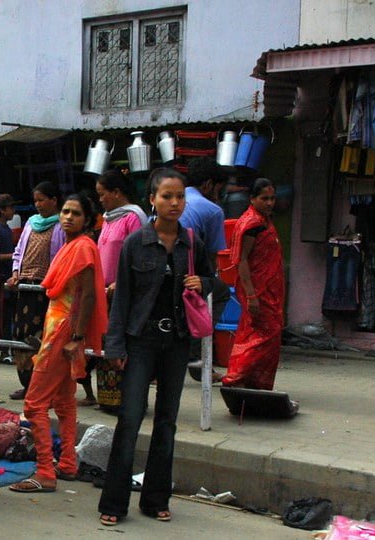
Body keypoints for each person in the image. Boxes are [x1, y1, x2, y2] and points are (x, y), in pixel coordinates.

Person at [98, 169, 215, 525]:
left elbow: (218, 283)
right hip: (141, 340)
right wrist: (115, 348)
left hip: (176, 342)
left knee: (167, 422)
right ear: (152, 199)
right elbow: (122, 301)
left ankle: (155, 499)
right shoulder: (136, 242)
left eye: (179, 196)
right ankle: (113, 504)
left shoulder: (192, 242)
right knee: (130, 418)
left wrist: (204, 282)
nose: (174, 203)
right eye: (167, 196)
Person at [9, 193, 108, 495]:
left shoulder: (82, 247)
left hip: (63, 330)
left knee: (34, 403)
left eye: (76, 213)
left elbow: (88, 295)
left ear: (88, 220)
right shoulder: (73, 245)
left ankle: (45, 472)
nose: (67, 217)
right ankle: (67, 464)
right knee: (64, 402)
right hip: (61, 326)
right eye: (65, 211)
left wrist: (76, 337)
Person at [220, 179, 286, 391]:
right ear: (252, 199)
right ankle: (235, 378)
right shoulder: (252, 224)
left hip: (271, 289)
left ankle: (255, 383)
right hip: (257, 291)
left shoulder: (264, 220)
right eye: (264, 198)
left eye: (272, 198)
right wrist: (251, 295)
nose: (269, 203)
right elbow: (242, 260)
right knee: (260, 337)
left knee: (265, 335)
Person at [93, 170, 148, 406]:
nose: (100, 199)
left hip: (124, 293)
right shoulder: (108, 219)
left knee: (125, 347)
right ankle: (108, 399)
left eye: (103, 194)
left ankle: (130, 401)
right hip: (105, 294)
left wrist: (120, 283)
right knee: (107, 346)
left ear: (117, 193)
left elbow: (140, 256)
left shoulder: (133, 218)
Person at [7, 182, 65, 400]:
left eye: (42, 200)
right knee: (21, 336)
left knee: (42, 338)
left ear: (54, 200)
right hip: (25, 288)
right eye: (36, 200)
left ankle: (43, 387)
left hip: (46, 291)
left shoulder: (61, 225)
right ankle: (27, 384)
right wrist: (15, 272)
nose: (38, 204)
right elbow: (19, 251)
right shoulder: (31, 222)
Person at [182, 157, 232, 380]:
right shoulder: (212, 210)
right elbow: (211, 259)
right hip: (187, 273)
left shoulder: (173, 196)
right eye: (218, 188)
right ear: (209, 185)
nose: (219, 193)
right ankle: (196, 354)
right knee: (218, 292)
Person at [0, 194, 17, 340]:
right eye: (10, 207)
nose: (13, 211)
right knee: (1, 315)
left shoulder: (6, 228)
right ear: (2, 210)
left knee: (8, 316)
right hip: (0, 278)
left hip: (8, 276)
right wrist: (14, 255)